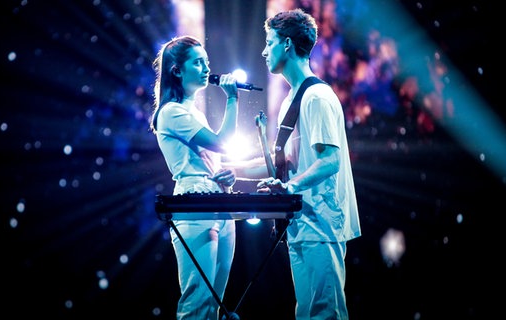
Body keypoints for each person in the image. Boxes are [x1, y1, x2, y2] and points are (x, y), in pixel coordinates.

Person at [229, 8, 362, 319]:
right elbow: (287, 162)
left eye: (269, 42)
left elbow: (331, 161)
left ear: (287, 44)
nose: (264, 50)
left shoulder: (316, 97)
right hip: (304, 223)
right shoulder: (293, 98)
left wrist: (290, 186)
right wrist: (231, 169)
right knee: (307, 313)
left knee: (323, 313)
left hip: (322, 223)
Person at [149, 35, 240, 320]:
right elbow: (221, 141)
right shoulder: (172, 112)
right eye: (198, 62)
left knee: (215, 303)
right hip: (194, 205)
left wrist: (227, 175)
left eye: (206, 62)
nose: (206, 68)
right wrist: (234, 99)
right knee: (198, 302)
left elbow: (213, 157)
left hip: (219, 203)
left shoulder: (194, 111)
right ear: (177, 70)